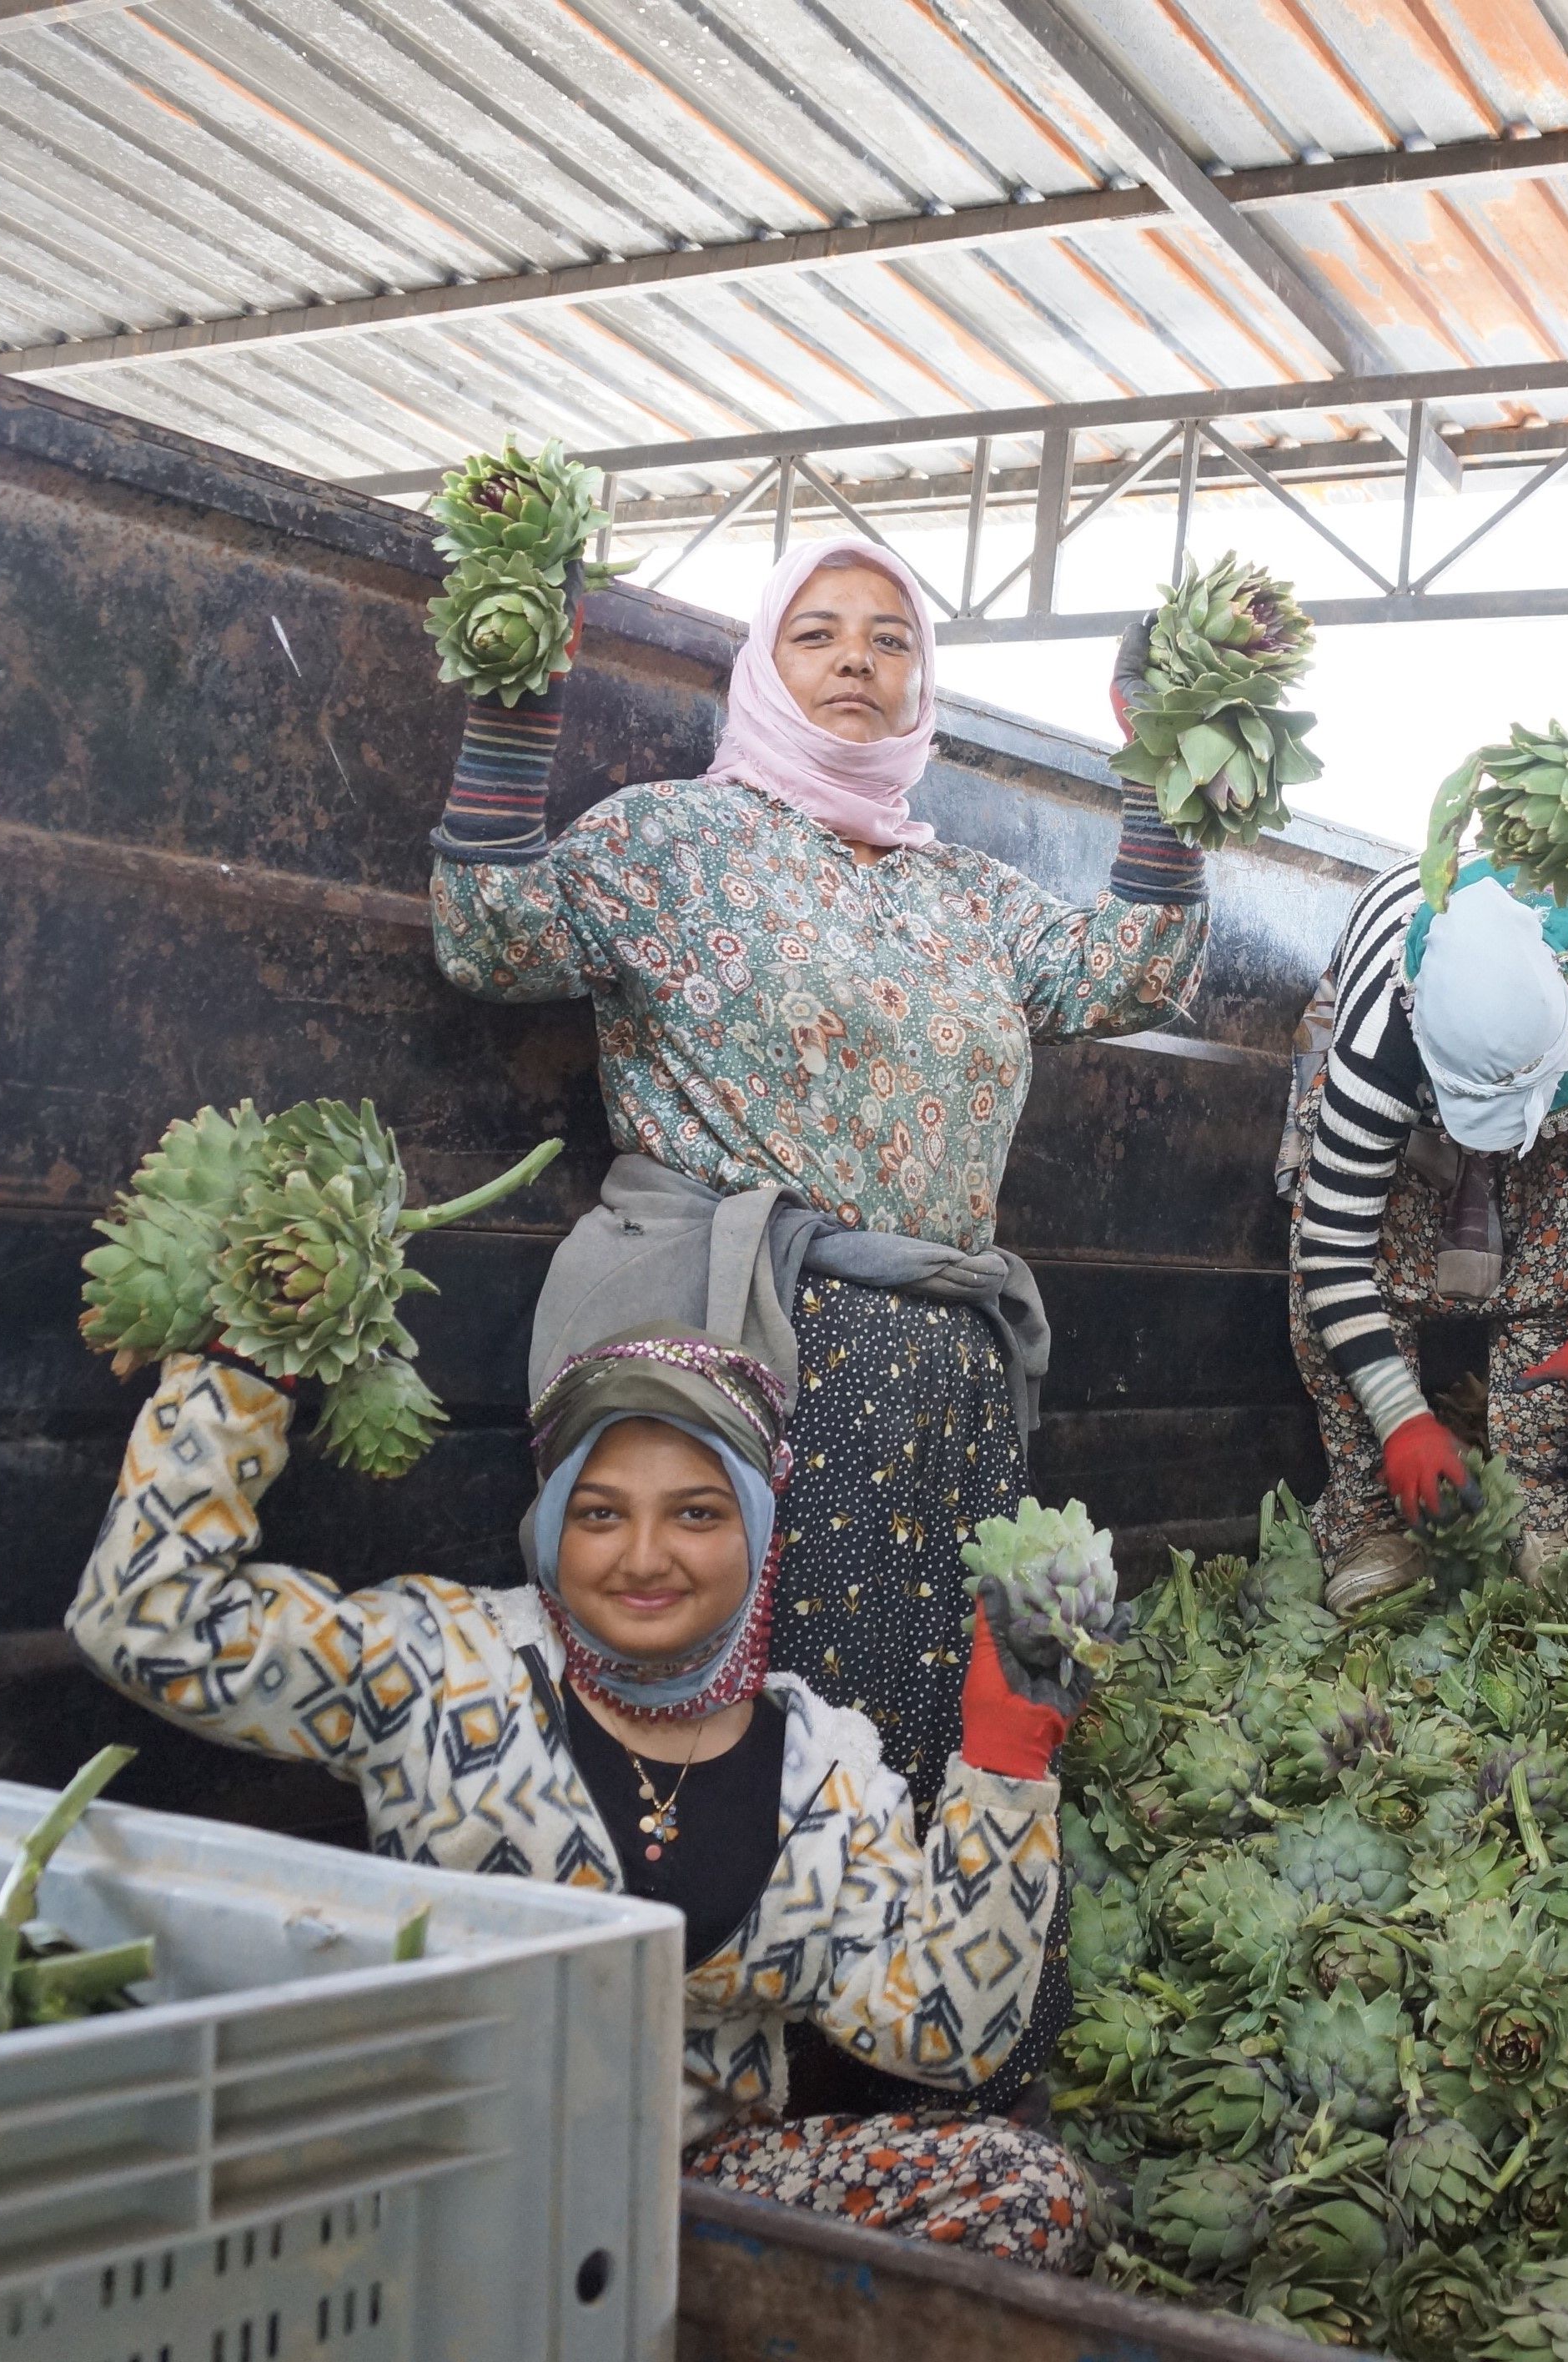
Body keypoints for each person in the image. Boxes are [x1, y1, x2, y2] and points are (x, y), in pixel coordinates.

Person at [427, 535, 1208, 2108]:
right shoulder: (671, 841)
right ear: (760, 673)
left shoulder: (969, 890)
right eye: (816, 633)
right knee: (767, 1730)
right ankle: (730, 2089)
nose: (857, 659)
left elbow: (1140, 969)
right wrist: (514, 708)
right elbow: (490, 935)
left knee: (937, 1717)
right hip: (761, 1365)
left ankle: (922, 2081)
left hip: (947, 1388)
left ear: (927, 685)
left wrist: (1169, 771)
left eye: (892, 639)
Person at [69, 1328, 1102, 2265]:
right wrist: (245, 1363)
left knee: (1030, 2188)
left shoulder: (826, 1775)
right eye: (600, 1514)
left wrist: (1006, 1763)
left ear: (758, 1529)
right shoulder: (438, 1665)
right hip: (421, 2178)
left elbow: (945, 2033)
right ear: (552, 1520)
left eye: (697, 1514)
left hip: (683, 2211)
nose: (643, 1559)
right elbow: (147, 1624)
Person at [1285, 857, 1568, 1612]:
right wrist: (1403, 1422)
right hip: (1404, 1116)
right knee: (1325, 1254)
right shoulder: (1380, 1037)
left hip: (1555, 1095)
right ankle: (1370, 1516)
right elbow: (1334, 1250)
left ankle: (1539, 1510)